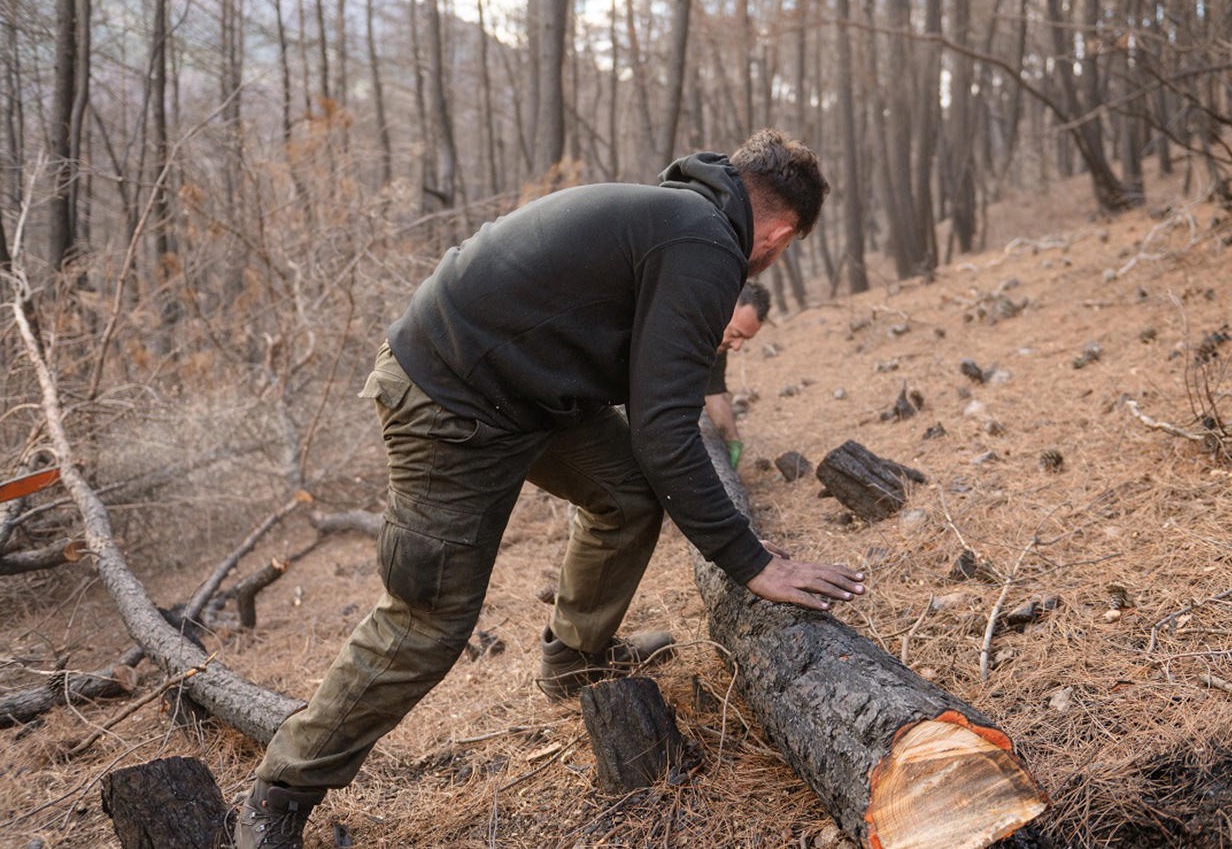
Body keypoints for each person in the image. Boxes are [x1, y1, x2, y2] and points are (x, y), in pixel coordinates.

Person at [235, 130, 867, 848]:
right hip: (452, 398)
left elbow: (649, 399)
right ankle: (282, 790)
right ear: (780, 233)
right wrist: (754, 562)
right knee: (427, 619)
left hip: (520, 391)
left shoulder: (680, 217)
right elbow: (665, 428)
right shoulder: (703, 243)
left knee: (627, 493)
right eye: (782, 248)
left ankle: (574, 655)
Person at [705, 281, 771, 468]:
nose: (737, 346)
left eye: (745, 339)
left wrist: (732, 440)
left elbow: (714, 391)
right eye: (735, 334)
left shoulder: (718, 341)